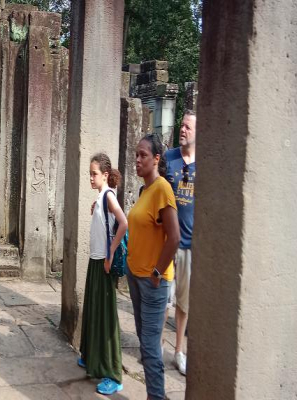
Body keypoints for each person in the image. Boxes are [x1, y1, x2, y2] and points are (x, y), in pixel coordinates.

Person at [126, 134, 180, 400]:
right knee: (145, 342)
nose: (137, 160)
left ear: (156, 159)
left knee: (149, 347)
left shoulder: (162, 189)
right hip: (136, 277)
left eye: (143, 155)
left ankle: (156, 396)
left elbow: (175, 237)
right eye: (136, 155)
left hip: (153, 281)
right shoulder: (145, 190)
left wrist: (157, 272)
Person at [78, 153, 128, 395]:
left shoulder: (108, 196)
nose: (90, 177)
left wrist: (110, 253)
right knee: (93, 311)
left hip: (103, 263)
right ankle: (90, 357)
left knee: (106, 319)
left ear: (105, 175)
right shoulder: (101, 198)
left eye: (94, 173)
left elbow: (124, 222)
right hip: (95, 261)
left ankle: (114, 374)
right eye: (90, 173)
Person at [164, 110, 196, 376]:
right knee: (162, 299)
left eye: (187, 126)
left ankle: (178, 351)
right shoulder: (169, 158)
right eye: (181, 125)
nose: (182, 129)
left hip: (190, 246)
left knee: (183, 304)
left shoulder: (204, 164)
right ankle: (153, 346)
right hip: (166, 243)